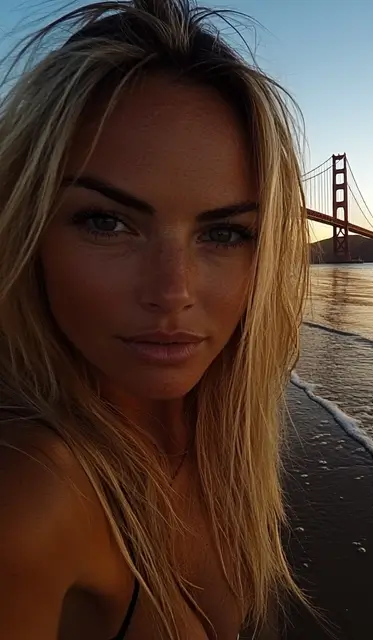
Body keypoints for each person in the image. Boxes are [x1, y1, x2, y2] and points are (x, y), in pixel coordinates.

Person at [0, 1, 309, 638]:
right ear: (28, 232)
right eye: (106, 222)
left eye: (223, 232)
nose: (174, 292)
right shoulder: (33, 495)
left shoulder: (222, 432)